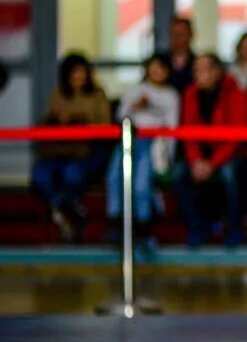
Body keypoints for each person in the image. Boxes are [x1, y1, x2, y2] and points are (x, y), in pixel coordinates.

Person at [32, 53, 111, 242]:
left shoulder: (98, 95)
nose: (78, 76)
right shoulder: (58, 94)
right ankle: (66, 208)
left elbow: (104, 126)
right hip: (59, 151)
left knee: (72, 174)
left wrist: (78, 120)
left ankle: (65, 212)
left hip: (86, 152)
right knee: (40, 175)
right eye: (74, 72)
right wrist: (57, 121)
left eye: (81, 72)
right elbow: (47, 121)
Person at [175, 54, 247, 247]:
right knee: (179, 174)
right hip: (202, 154)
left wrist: (211, 164)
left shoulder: (237, 93)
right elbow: (188, 132)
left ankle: (235, 229)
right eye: (195, 70)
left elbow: (236, 137)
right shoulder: (191, 93)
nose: (197, 74)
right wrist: (196, 161)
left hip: (232, 153)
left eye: (202, 69)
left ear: (217, 72)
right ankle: (196, 228)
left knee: (229, 174)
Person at [105, 54, 179, 244]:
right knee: (113, 177)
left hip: (153, 143)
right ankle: (115, 224)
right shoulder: (135, 90)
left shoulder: (171, 95)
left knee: (140, 185)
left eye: (160, 67)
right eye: (152, 67)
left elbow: (172, 127)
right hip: (129, 140)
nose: (155, 71)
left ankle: (144, 227)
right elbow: (120, 116)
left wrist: (168, 157)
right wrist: (135, 107)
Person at [165, 16, 196, 96]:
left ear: (191, 35)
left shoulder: (198, 64)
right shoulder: (160, 62)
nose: (176, 38)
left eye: (180, 34)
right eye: (173, 34)